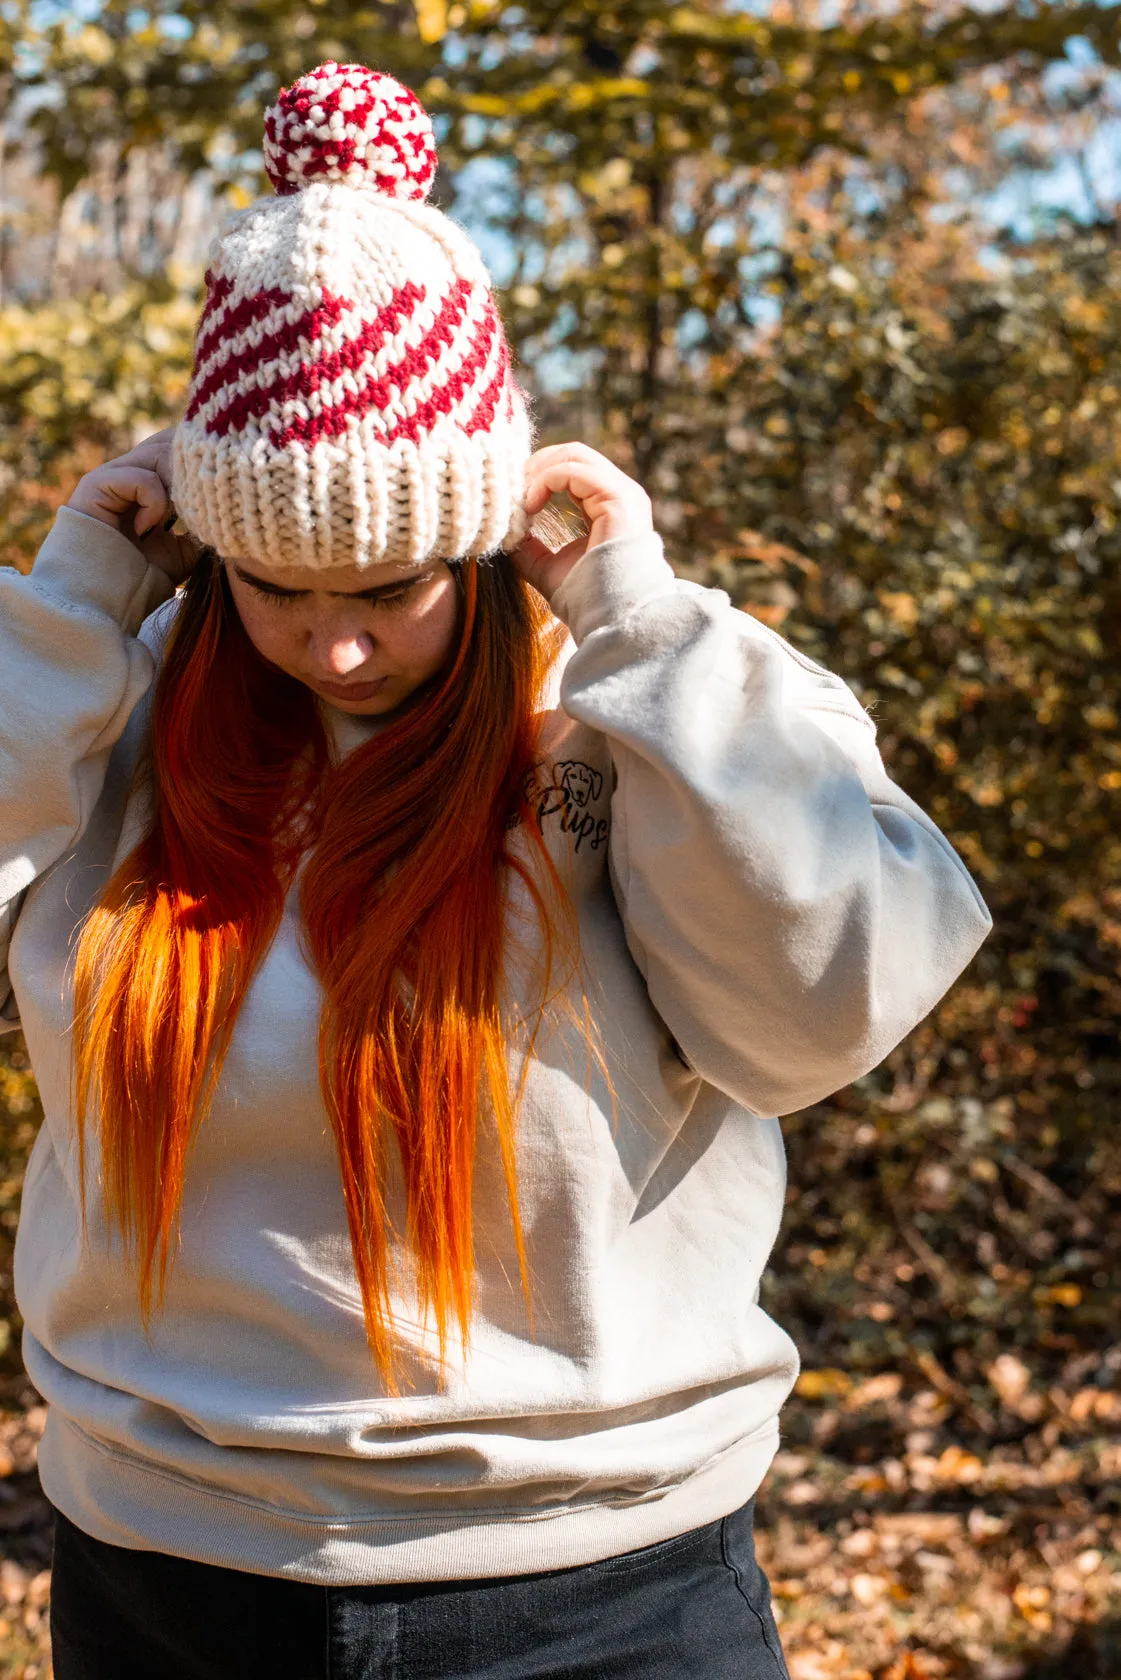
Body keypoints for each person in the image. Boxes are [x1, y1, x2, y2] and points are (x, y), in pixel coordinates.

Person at [0, 62, 992, 1680]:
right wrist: (62, 616)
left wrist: (643, 625)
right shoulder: (107, 716)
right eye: (273, 582)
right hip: (170, 1577)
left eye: (391, 585)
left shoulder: (629, 708)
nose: (332, 642)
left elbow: (830, 1011)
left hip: (602, 1590)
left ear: (479, 532)